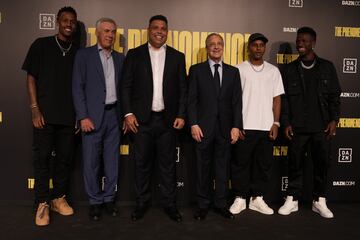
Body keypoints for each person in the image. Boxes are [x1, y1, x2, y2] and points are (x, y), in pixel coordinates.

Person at [121, 15, 187, 222]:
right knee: (141, 164)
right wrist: (128, 113)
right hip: (141, 121)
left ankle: (170, 205)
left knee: (168, 166)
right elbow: (125, 86)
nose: (159, 31)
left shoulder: (178, 56)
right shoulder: (134, 54)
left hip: (167, 121)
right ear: (148, 30)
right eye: (155, 27)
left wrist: (181, 114)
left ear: (167, 31)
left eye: (163, 28)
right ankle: (142, 203)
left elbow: (183, 90)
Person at [22, 6, 78, 226]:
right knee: (42, 160)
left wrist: (78, 114)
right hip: (43, 116)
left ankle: (58, 198)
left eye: (72, 21)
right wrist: (34, 107)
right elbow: (31, 78)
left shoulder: (77, 51)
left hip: (68, 116)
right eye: (65, 20)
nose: (68, 24)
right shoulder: (41, 45)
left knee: (64, 160)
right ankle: (42, 203)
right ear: (57, 21)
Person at [278, 27, 341, 218]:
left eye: (304, 41)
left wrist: (334, 120)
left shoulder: (327, 67)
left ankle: (319, 200)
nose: (300, 44)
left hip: (321, 127)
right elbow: (285, 99)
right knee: (294, 164)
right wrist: (286, 121)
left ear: (313, 42)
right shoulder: (289, 69)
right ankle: (292, 199)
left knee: (321, 164)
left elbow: (335, 96)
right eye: (298, 41)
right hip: (298, 127)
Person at [72, 18, 124, 221]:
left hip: (114, 116)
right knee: (91, 162)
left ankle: (109, 198)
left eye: (113, 31)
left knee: (112, 162)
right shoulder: (83, 56)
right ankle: (94, 201)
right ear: (97, 33)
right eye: (106, 31)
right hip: (91, 117)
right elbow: (77, 88)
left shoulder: (121, 58)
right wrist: (83, 116)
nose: (110, 35)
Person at [188, 33, 242, 220]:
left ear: (223, 46)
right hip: (202, 128)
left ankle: (220, 204)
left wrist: (236, 126)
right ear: (207, 47)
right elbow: (191, 100)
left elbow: (237, 102)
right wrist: (193, 123)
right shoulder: (196, 70)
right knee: (202, 169)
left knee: (222, 169)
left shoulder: (233, 72)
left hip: (225, 129)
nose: (216, 47)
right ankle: (203, 205)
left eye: (219, 44)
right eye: (212, 44)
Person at [229, 33, 284, 216]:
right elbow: (233, 101)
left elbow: (277, 99)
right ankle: (240, 197)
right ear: (249, 48)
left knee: (263, 165)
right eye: (255, 45)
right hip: (245, 126)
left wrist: (276, 123)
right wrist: (237, 124)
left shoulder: (273, 71)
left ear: (264, 48)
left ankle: (257, 198)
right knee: (240, 164)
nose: (258, 48)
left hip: (266, 127)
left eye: (262, 45)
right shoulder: (238, 69)